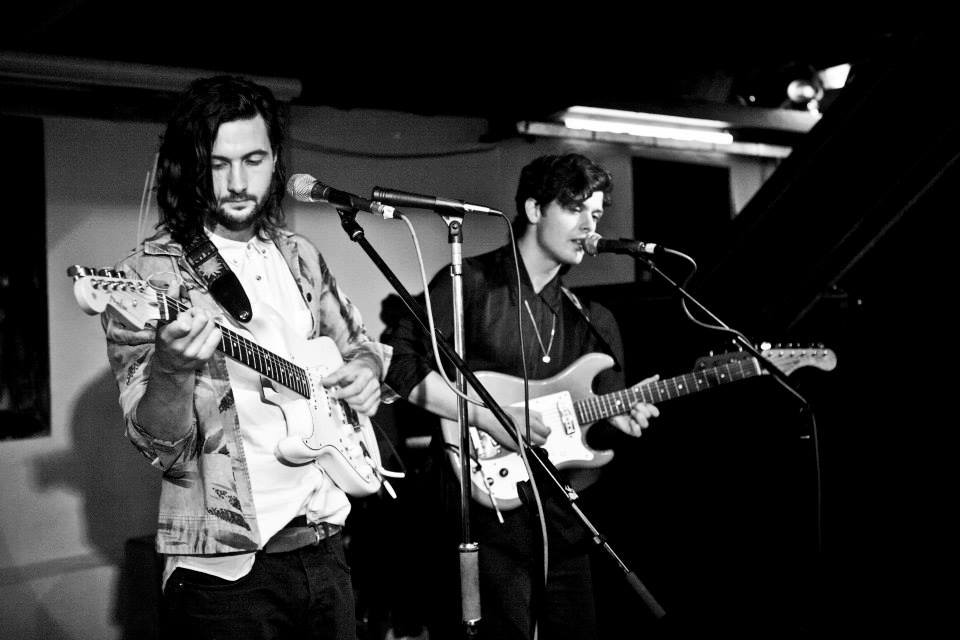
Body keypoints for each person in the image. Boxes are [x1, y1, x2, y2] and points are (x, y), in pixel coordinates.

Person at [101, 75, 390, 639]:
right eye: (218, 164)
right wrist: (172, 369)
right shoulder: (148, 277)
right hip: (226, 574)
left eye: (253, 160)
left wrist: (366, 372)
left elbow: (359, 343)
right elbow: (158, 444)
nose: (237, 182)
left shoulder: (299, 255)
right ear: (191, 165)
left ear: (275, 159)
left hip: (327, 550)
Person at [384, 153, 660, 640]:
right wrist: (483, 416)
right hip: (481, 520)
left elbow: (600, 418)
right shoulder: (468, 284)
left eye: (596, 214)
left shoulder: (593, 319)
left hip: (563, 524)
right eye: (575, 208)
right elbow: (401, 365)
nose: (589, 226)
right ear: (534, 209)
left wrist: (619, 414)